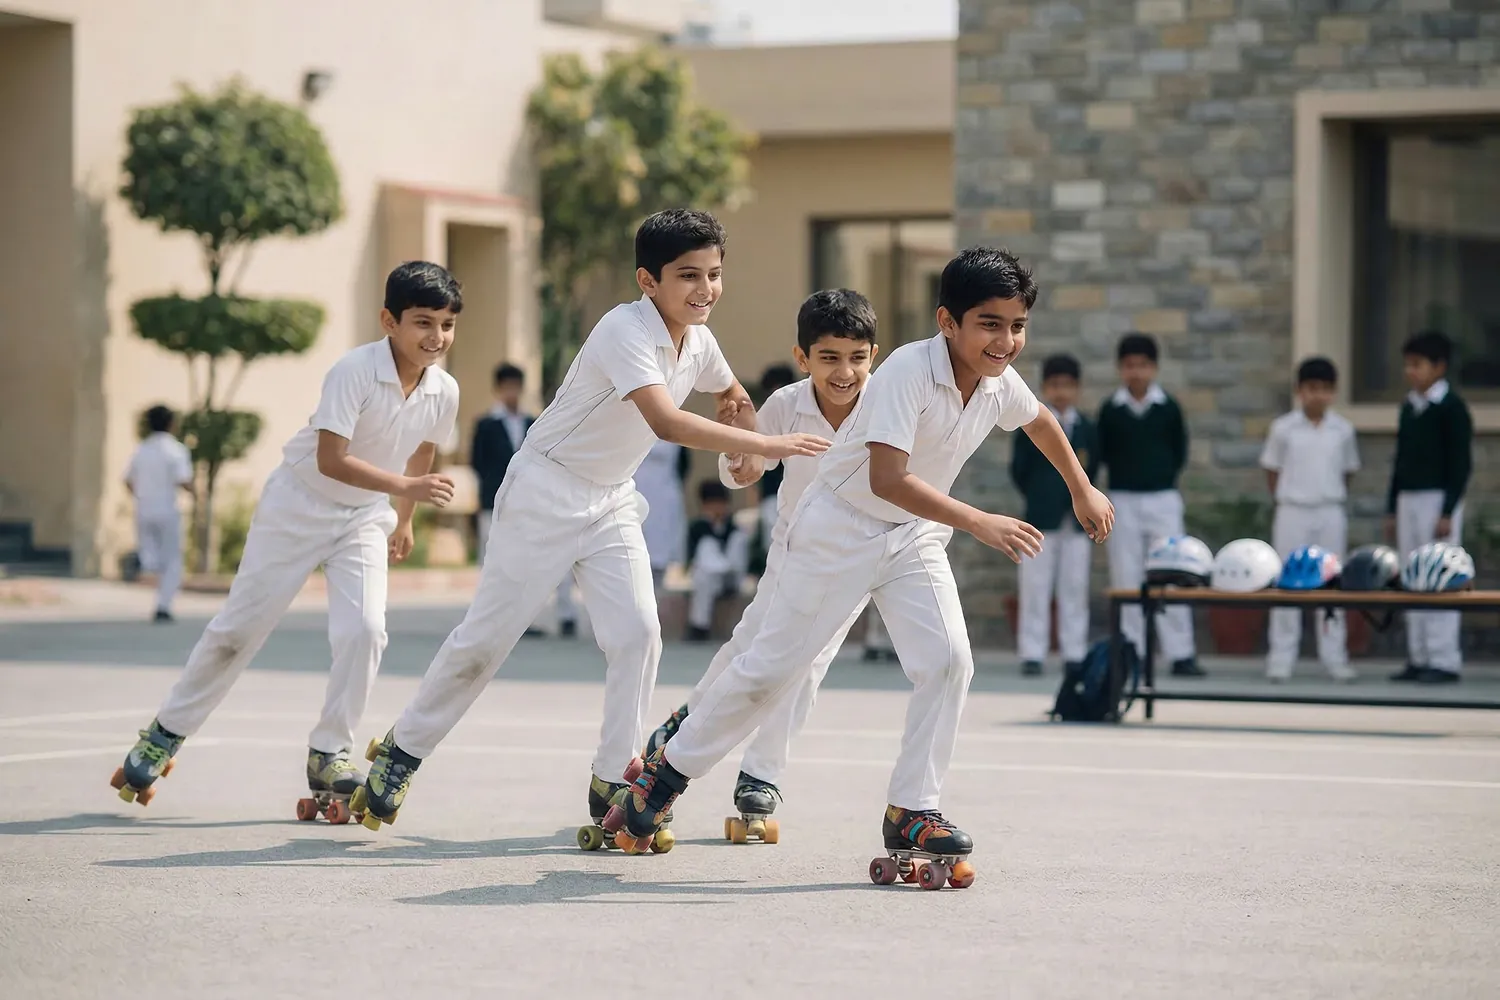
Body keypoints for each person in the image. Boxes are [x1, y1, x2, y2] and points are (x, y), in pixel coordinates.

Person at [614, 247, 1114, 875]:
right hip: (839, 528)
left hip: (912, 537)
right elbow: (887, 478)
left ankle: (913, 808)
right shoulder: (907, 370)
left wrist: (1081, 487)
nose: (1005, 341)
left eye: (1017, 326)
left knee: (949, 661)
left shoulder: (997, 381)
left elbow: (1039, 420)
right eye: (989, 324)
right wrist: (977, 520)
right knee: (772, 670)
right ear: (947, 321)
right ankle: (662, 779)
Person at [353, 209, 831, 833]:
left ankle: (613, 777)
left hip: (611, 500)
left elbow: (731, 393)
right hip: (544, 490)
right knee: (486, 641)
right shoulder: (622, 330)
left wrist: (744, 429)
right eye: (688, 275)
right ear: (648, 280)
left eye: (714, 274)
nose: (705, 289)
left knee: (639, 634)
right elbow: (666, 422)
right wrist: (768, 445)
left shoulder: (700, 341)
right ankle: (401, 752)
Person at [110, 261, 463, 809]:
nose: (436, 336)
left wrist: (406, 516)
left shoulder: (444, 389)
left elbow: (423, 447)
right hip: (297, 505)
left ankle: (330, 751)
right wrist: (406, 487)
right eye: (423, 322)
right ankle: (164, 734)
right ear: (389, 321)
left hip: (364, 517)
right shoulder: (353, 370)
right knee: (238, 631)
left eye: (447, 324)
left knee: (366, 631)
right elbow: (330, 460)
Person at [645, 287, 878, 825]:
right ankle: (685, 724)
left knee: (807, 663)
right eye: (829, 358)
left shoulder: (887, 403)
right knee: (749, 648)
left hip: (857, 559)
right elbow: (745, 467)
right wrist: (741, 462)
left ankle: (760, 774)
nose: (844, 372)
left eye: (857, 358)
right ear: (803, 358)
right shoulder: (786, 405)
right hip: (793, 552)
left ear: (874, 356)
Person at [1097, 332, 1199, 676]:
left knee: (1173, 572)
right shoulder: (1111, 410)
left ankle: (1181, 653)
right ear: (1120, 369)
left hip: (1162, 498)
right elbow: (1102, 454)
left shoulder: (1167, 408)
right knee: (1127, 575)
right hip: (1122, 499)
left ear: (1154, 368)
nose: (1136, 372)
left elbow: (1179, 452)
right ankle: (1133, 653)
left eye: (1142, 365)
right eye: (1129, 366)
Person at [1261, 357, 1360, 683]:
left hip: (1329, 511)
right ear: (1299, 390)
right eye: (1312, 388)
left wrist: (1327, 495)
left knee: (1332, 584)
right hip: (1293, 510)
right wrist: (1290, 497)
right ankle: (1281, 659)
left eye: (1325, 389)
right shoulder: (1283, 429)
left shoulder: (1342, 430)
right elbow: (1272, 471)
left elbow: (1347, 473)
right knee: (1286, 582)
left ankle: (1335, 658)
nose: (1318, 395)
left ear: (1334, 392)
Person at [1385, 330, 1473, 685]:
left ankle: (1444, 658)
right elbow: (1400, 462)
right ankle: (1418, 655)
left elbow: (1460, 464)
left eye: (1418, 364)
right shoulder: (1409, 407)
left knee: (1440, 576)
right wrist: (1391, 508)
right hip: (1408, 498)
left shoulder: (1451, 408)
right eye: (1407, 365)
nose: (1411, 371)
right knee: (1412, 575)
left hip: (1437, 499)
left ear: (1439, 367)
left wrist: (1448, 510)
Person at [470, 363, 575, 636]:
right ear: (497, 389)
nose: (512, 393)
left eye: (516, 387)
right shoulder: (486, 425)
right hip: (495, 502)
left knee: (530, 560)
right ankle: (489, 619)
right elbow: (478, 463)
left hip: (532, 502)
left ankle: (527, 619)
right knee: (495, 560)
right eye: (506, 387)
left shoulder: (533, 423)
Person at [1010, 353, 1098, 676]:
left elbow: (1092, 469)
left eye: (1067, 385)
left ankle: (1074, 651)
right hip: (1040, 518)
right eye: (1055, 385)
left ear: (1077, 388)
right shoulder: (1030, 425)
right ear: (1045, 387)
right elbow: (1019, 471)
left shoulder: (1086, 428)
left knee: (1075, 587)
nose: (1061, 392)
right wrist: (1041, 496)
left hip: (1077, 522)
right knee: (1035, 587)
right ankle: (1032, 652)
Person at [125, 404, 194, 622]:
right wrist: (196, 494)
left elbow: (128, 480)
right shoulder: (176, 450)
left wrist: (141, 495)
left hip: (143, 509)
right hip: (167, 509)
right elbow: (183, 480)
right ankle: (163, 605)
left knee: (150, 553)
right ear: (172, 424)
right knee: (172, 559)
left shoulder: (141, 450)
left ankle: (145, 564)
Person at [684, 480, 749, 641]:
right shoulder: (698, 528)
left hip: (731, 576)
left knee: (738, 540)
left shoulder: (733, 528)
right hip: (710, 576)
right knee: (706, 547)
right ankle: (699, 626)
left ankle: (723, 569)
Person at [636, 438, 690, 589]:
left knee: (660, 548)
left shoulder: (677, 435)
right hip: (635, 491)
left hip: (664, 497)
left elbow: (684, 467)